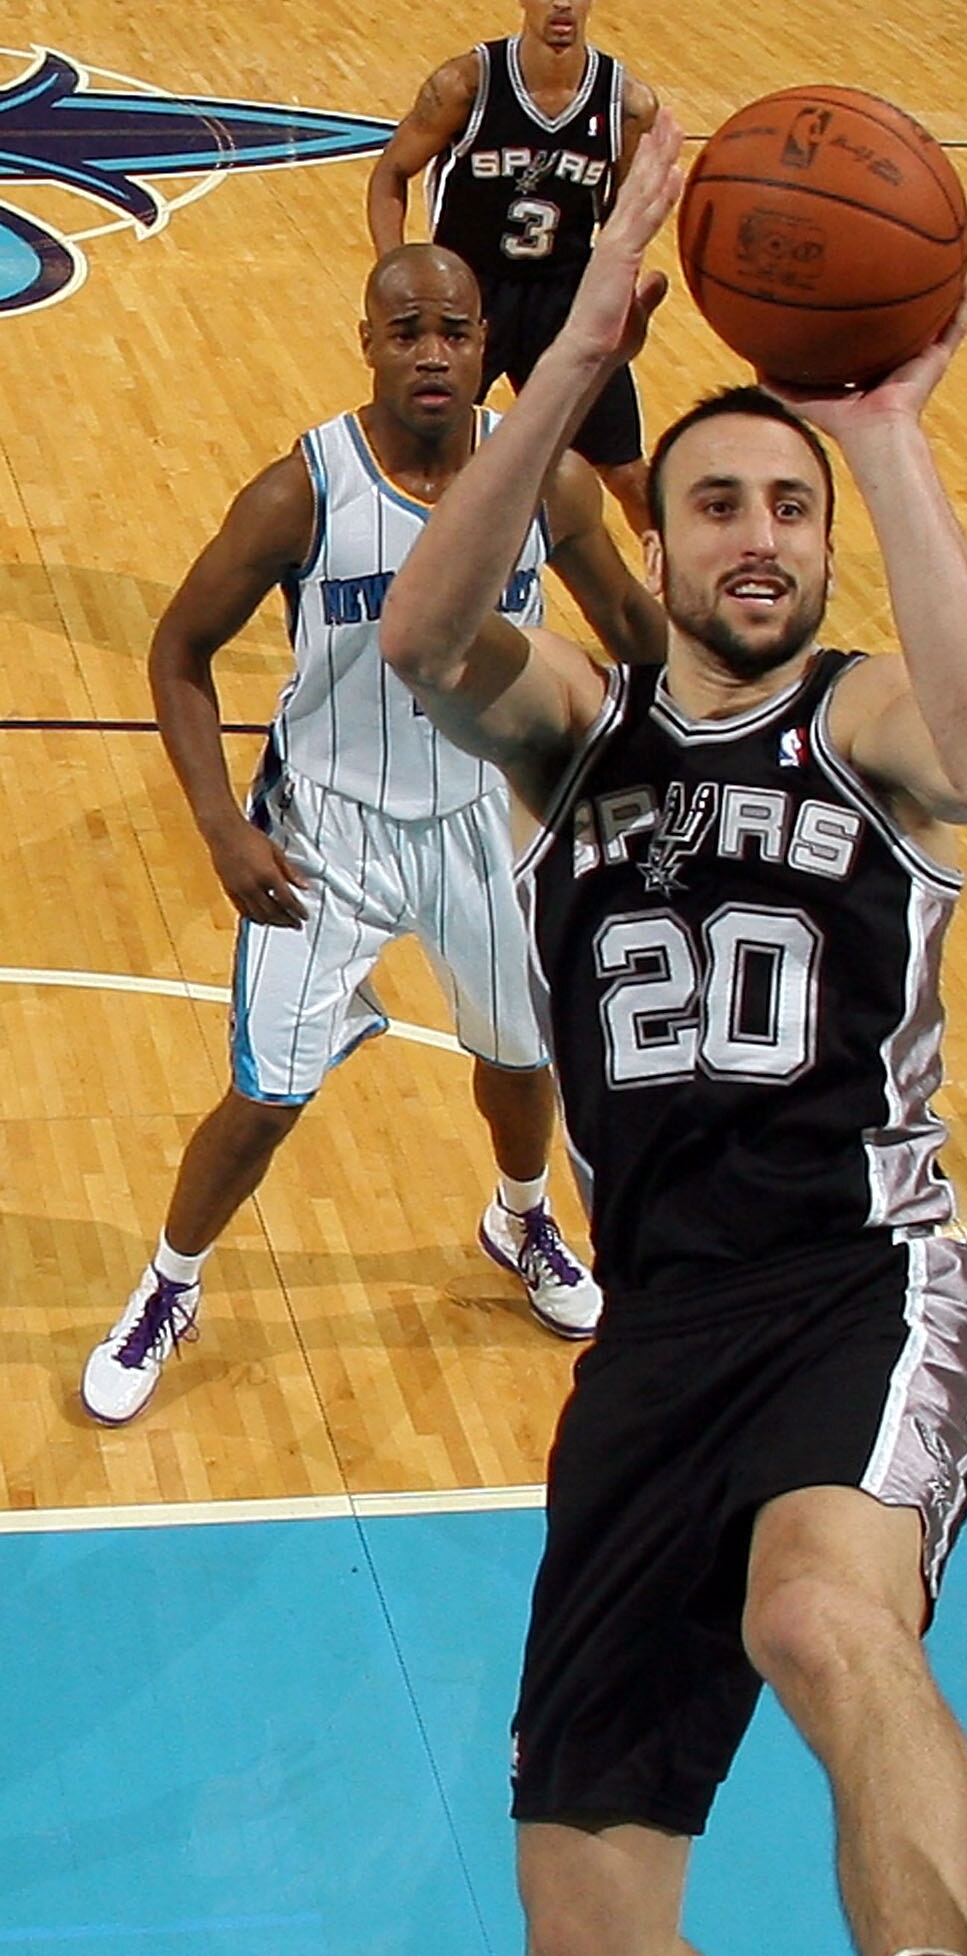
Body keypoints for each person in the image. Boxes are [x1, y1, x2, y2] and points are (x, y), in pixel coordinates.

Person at [378, 117, 967, 1956]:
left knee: (817, 1615)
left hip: (862, 1280)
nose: (757, 541)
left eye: (790, 511)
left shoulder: (863, 725)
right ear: (654, 544)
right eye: (721, 508)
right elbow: (420, 636)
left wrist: (886, 428)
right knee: (583, 1940)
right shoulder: (582, 746)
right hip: (648, 1343)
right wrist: (576, 354)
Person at [82, 245, 662, 1426]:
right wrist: (216, 830)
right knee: (265, 1099)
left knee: (518, 1058)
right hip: (324, 835)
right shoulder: (302, 490)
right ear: (369, 343)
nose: (432, 353)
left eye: (453, 330)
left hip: (490, 817)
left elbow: (641, 639)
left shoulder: (543, 482)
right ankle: (168, 1284)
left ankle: (520, 1217)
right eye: (407, 332)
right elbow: (177, 651)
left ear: (486, 345)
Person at [366, 0, 664, 540]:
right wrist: (396, 273)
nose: (561, 3)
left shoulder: (627, 103)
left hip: (563, 301)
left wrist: (618, 287)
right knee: (426, 463)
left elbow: (627, 210)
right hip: (468, 303)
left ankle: (685, 601)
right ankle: (407, 607)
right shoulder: (465, 86)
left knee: (629, 473)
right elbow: (390, 174)